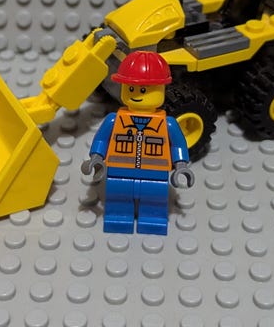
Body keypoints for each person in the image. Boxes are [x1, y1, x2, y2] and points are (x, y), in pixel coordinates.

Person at [82, 51, 194, 235]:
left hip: (155, 174)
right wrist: (96, 156)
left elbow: (177, 145)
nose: (136, 94)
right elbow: (102, 138)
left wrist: (181, 165)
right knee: (118, 198)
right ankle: (118, 217)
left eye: (143, 90)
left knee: (154, 199)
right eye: (131, 88)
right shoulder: (114, 120)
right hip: (119, 172)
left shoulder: (167, 124)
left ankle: (153, 218)